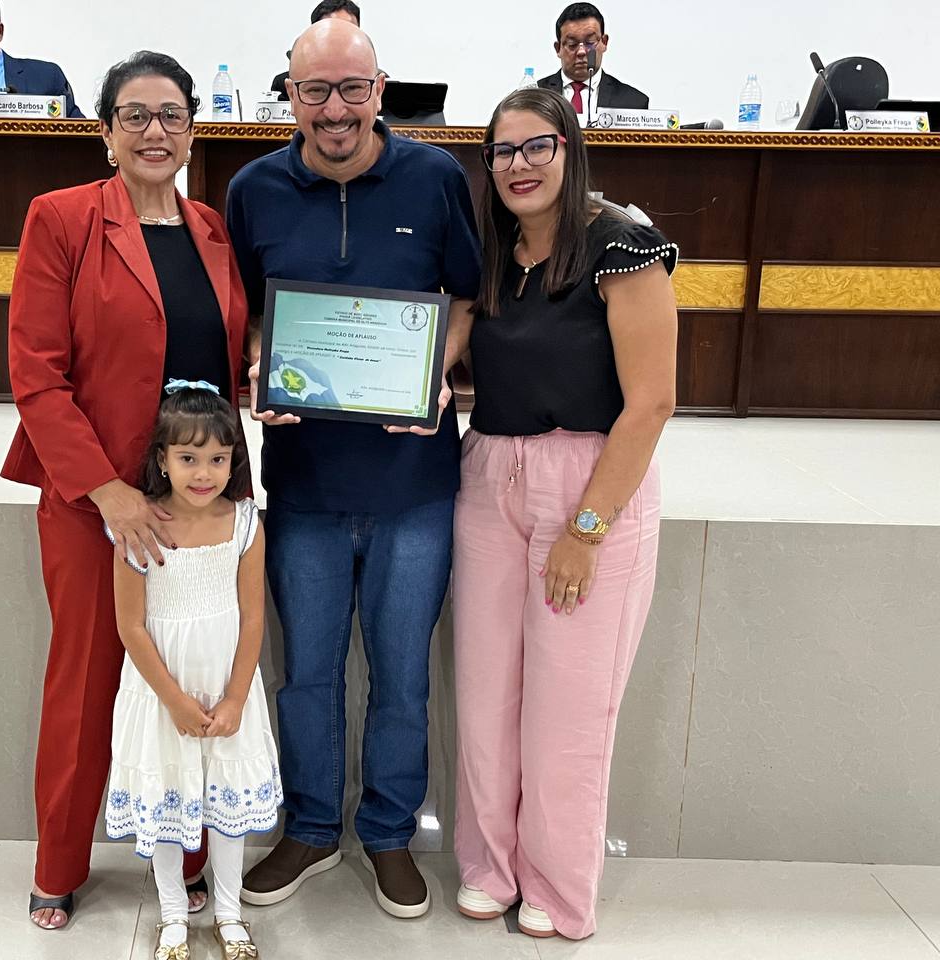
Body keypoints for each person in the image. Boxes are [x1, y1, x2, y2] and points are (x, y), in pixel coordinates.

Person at [227, 18, 480, 920]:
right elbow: (248, 313)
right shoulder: (253, 188)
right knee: (309, 672)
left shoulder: (435, 177)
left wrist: (439, 371)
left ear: (380, 90)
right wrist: (259, 361)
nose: (334, 110)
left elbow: (465, 299)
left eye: (351, 90)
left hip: (414, 486)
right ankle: (309, 827)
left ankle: (387, 832)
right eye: (314, 92)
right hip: (305, 483)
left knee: (402, 673)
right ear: (289, 95)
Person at [1, 50, 249, 930]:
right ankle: (59, 863)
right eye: (135, 115)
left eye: (172, 115)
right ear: (105, 131)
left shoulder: (212, 229)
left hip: (196, 503)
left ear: (192, 131)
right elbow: (35, 372)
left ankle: (190, 854)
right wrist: (107, 490)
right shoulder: (62, 218)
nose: (154, 131)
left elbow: (226, 357)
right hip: (95, 501)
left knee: (191, 671)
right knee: (86, 679)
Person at [452, 86, 677, 940]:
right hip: (489, 477)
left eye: (536, 146)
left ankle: (557, 881)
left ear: (569, 148)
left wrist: (587, 530)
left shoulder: (622, 244)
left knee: (569, 708)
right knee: (486, 697)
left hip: (587, 486)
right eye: (502, 152)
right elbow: (459, 357)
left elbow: (651, 404)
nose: (519, 165)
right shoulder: (493, 252)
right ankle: (489, 864)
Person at [105, 383, 279, 960]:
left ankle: (229, 912)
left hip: (228, 684)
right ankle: (173, 915)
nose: (204, 473)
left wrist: (234, 699)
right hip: (162, 691)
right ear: (162, 459)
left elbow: (253, 617)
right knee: (168, 796)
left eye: (217, 459)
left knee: (227, 800)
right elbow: (131, 626)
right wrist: (175, 701)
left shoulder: (245, 523)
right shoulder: (139, 527)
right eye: (188, 458)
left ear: (233, 461)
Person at [537, 3, 648, 116]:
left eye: (590, 42)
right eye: (572, 44)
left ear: (604, 42)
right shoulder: (534, 96)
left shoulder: (633, 102)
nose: (581, 52)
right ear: (558, 48)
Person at [270, 0, 362, 101]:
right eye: (331, 31)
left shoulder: (371, 82)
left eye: (349, 31)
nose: (340, 39)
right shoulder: (287, 84)